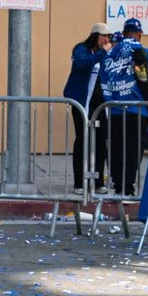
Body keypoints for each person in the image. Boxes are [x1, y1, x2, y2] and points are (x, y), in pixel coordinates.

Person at [96, 17, 148, 196]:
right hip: (137, 109)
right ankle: (127, 188)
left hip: (114, 108)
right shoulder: (143, 51)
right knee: (133, 150)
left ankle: (119, 186)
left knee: (116, 149)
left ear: (123, 33)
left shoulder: (111, 53)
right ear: (140, 34)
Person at [63, 23, 112, 191]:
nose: (106, 40)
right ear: (95, 36)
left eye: (108, 37)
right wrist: (101, 53)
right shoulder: (81, 49)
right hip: (82, 102)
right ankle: (79, 182)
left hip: (100, 104)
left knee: (100, 141)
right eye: (103, 36)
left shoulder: (105, 53)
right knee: (82, 141)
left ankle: (98, 182)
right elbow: (82, 63)